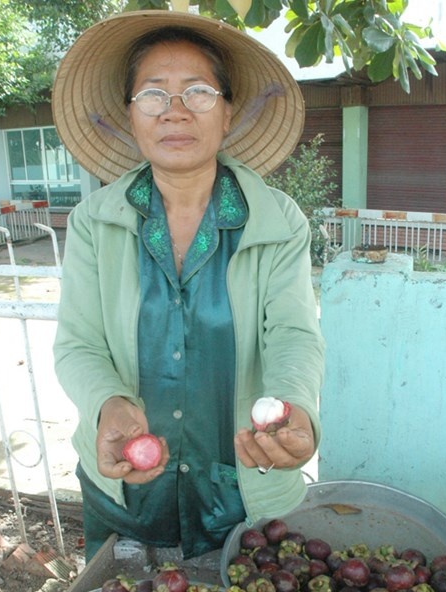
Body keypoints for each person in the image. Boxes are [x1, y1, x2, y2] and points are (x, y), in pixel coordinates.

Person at [51, 10, 325, 563]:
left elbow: (293, 333)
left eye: (198, 92)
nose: (175, 110)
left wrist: (297, 410)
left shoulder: (277, 221)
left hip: (242, 495)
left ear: (227, 112)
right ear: (131, 116)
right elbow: (77, 343)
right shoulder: (93, 221)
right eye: (153, 94)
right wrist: (109, 405)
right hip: (125, 491)